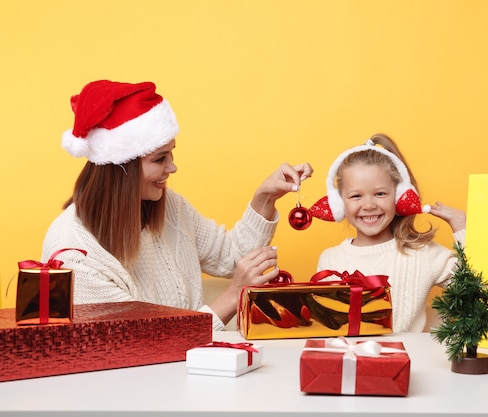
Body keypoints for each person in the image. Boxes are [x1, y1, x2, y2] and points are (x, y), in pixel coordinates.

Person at [41, 80, 313, 331]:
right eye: (160, 159)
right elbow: (142, 340)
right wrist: (234, 294)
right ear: (122, 168)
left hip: (190, 371)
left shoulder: (169, 207)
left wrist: (265, 197)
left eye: (171, 154)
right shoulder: (73, 253)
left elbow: (232, 258)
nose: (172, 167)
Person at [311, 133, 465, 333]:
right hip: (348, 362)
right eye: (356, 196)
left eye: (380, 193)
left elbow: (480, 291)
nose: (369, 205)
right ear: (339, 203)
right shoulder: (329, 260)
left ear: (400, 196)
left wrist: (461, 229)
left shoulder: (424, 254)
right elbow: (326, 326)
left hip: (410, 362)